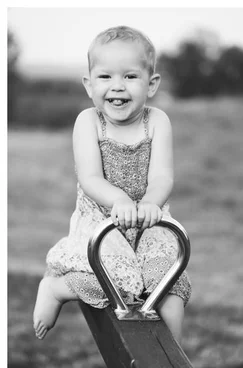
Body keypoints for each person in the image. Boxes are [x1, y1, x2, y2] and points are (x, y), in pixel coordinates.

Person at [33, 26, 191, 343]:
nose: (117, 86)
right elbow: (89, 177)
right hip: (101, 220)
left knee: (169, 281)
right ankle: (56, 288)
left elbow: (163, 176)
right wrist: (118, 200)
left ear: (152, 84)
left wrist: (150, 203)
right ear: (89, 84)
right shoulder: (88, 121)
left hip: (148, 220)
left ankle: (172, 362)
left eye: (130, 77)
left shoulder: (157, 121)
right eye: (105, 77)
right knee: (117, 284)